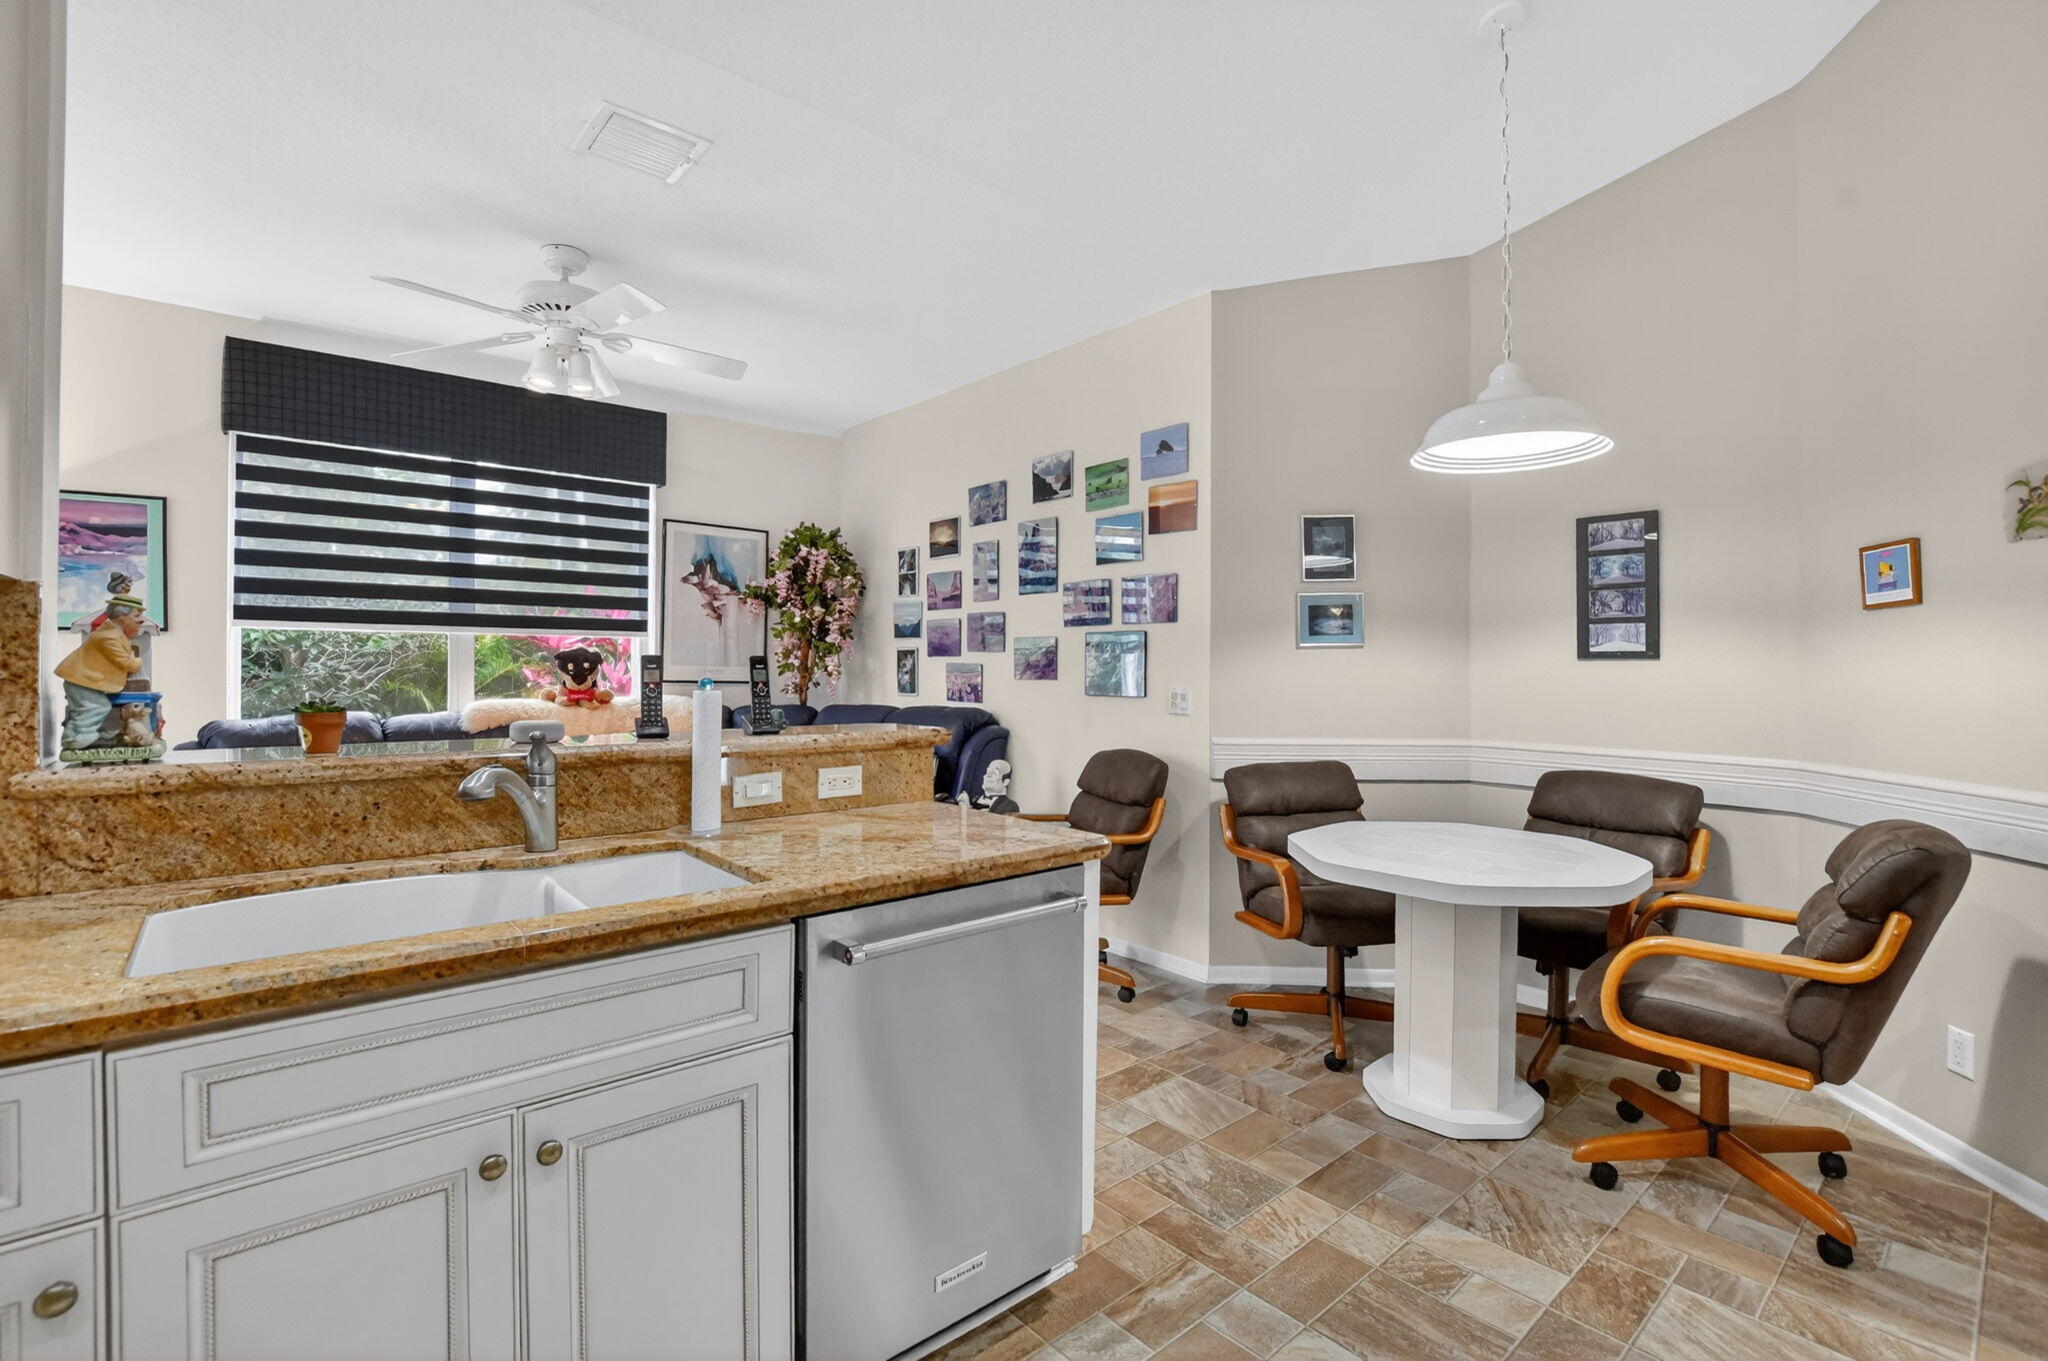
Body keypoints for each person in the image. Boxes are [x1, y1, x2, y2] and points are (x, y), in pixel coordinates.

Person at [56, 589, 147, 752]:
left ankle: (84, 735)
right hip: (80, 680)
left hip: (86, 680)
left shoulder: (115, 633)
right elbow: (127, 663)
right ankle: (77, 740)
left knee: (94, 707)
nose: (140, 621)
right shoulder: (108, 637)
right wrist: (138, 661)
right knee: (96, 707)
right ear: (122, 617)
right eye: (136, 616)